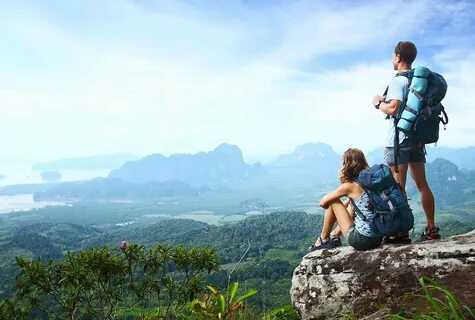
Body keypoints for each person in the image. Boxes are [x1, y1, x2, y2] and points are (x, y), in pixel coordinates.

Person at [372, 41, 440, 241]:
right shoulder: (420, 82)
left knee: (397, 186)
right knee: (422, 185)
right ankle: (431, 228)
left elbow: (392, 108)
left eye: (393, 55)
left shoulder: (398, 81)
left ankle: (400, 232)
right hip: (417, 140)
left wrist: (378, 103)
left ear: (398, 57)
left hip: (398, 140)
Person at [309, 148, 383, 251]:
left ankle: (323, 239)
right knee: (351, 204)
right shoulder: (371, 182)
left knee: (333, 201)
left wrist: (339, 206)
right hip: (378, 238)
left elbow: (323, 203)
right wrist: (348, 203)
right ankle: (334, 235)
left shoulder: (350, 186)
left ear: (347, 165)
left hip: (362, 240)